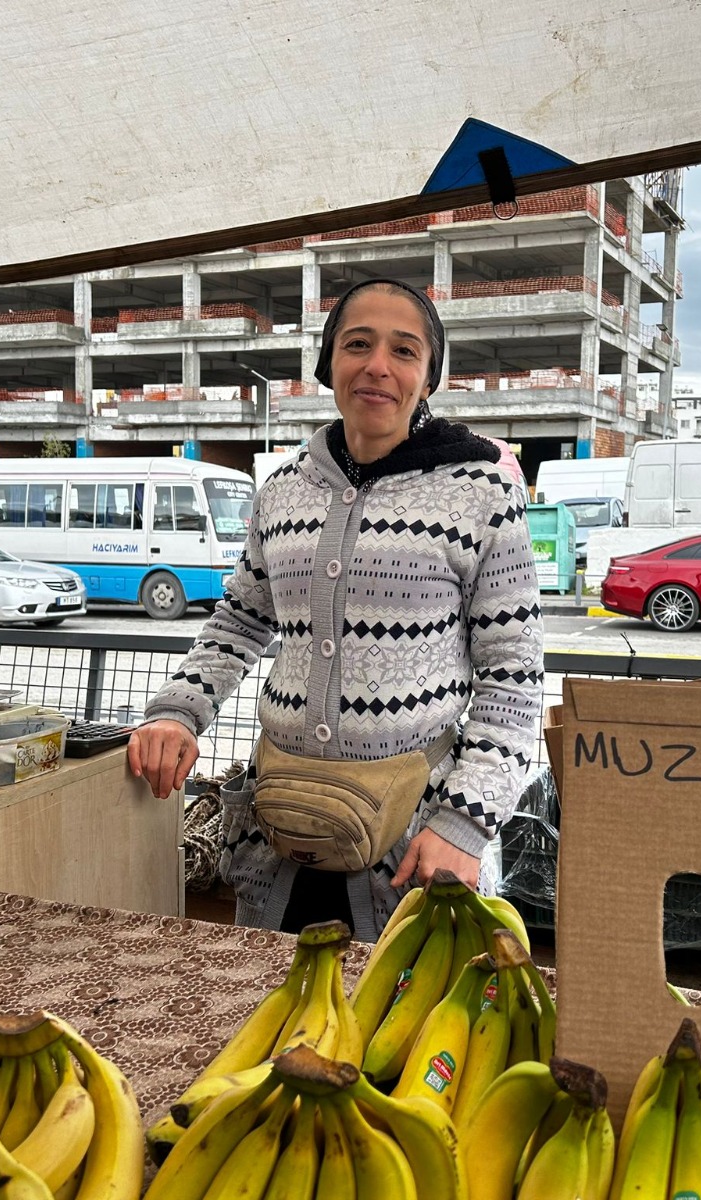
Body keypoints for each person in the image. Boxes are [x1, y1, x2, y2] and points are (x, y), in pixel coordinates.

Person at [127, 279, 544, 940]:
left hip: (417, 836)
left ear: (428, 377)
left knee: (405, 1025)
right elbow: (239, 621)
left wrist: (465, 823)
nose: (379, 365)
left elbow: (513, 679)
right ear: (329, 365)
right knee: (266, 1006)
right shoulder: (284, 491)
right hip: (281, 825)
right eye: (358, 344)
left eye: (404, 351)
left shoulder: (482, 492)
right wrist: (178, 712)